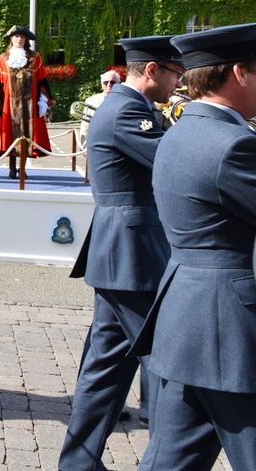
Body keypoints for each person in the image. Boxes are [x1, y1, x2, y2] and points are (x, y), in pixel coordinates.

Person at [130, 23, 256, 471]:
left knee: (170, 461)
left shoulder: (181, 133)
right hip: (232, 330)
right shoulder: (235, 144)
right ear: (239, 73)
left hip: (188, 319)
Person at [58, 36, 183, 471]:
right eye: (174, 73)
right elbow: (176, 160)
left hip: (125, 253)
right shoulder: (128, 109)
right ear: (152, 70)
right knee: (169, 365)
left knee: (107, 368)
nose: (177, 82)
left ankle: (78, 461)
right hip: (133, 254)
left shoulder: (130, 107)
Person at [0, 26, 54, 179]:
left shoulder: (34, 58)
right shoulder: (3, 59)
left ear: (26, 40)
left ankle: (22, 168)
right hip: (8, 105)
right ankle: (12, 168)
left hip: (29, 105)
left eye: (22, 37)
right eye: (16, 36)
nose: (19, 39)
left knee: (26, 135)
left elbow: (42, 80)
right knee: (10, 135)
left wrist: (43, 100)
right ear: (11, 39)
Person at [78, 70, 122, 146]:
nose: (109, 85)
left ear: (118, 83)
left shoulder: (125, 100)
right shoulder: (91, 101)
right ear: (102, 84)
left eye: (112, 82)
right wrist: (85, 147)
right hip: (96, 145)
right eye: (106, 82)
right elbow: (85, 127)